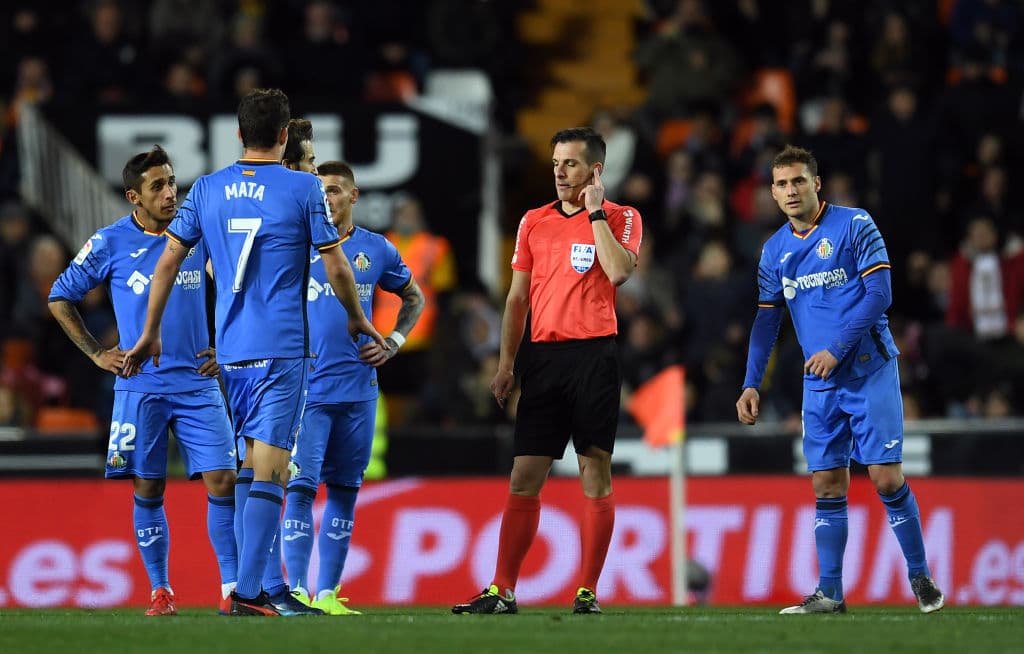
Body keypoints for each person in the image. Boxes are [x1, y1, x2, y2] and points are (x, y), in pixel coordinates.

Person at [124, 88, 387, 617]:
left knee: (249, 466)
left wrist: (149, 331)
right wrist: (359, 318)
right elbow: (336, 266)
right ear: (285, 135)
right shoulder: (302, 189)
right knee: (271, 470)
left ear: (238, 134)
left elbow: (167, 264)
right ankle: (248, 591)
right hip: (283, 348)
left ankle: (257, 587)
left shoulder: (206, 190)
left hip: (231, 352)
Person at [735, 144, 945, 614]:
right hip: (820, 382)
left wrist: (836, 349)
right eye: (782, 184)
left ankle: (920, 576)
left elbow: (880, 294)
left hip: (868, 369)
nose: (790, 191)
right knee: (827, 483)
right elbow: (767, 321)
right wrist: (752, 383)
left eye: (798, 182)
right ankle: (830, 592)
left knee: (886, 477)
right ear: (772, 191)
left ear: (816, 183)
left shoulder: (854, 225)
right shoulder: (773, 251)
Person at [452, 127, 643, 615]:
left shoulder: (623, 217)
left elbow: (619, 271)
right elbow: (517, 299)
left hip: (595, 356)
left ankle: (587, 591)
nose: (559, 171)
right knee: (523, 475)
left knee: (593, 470)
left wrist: (596, 210)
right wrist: (506, 364)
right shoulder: (534, 222)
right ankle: (502, 590)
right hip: (544, 358)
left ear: (595, 171)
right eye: (556, 162)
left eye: (571, 164)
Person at [48, 145, 238, 616]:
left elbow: (235, 286)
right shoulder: (110, 242)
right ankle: (160, 590)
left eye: (172, 182)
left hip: (198, 382)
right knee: (148, 488)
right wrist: (95, 353)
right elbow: (59, 296)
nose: (171, 193)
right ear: (135, 196)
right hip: (140, 386)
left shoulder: (197, 236)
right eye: (158, 186)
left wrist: (230, 347)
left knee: (224, 479)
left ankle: (233, 588)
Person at [282, 160, 424, 615]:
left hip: (359, 391)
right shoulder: (293, 247)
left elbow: (415, 297)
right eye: (322, 190)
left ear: (354, 196)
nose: (328, 197)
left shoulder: (375, 250)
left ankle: (328, 595)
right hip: (308, 391)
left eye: (337, 190)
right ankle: (297, 592)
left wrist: (395, 342)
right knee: (301, 489)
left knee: (344, 490)